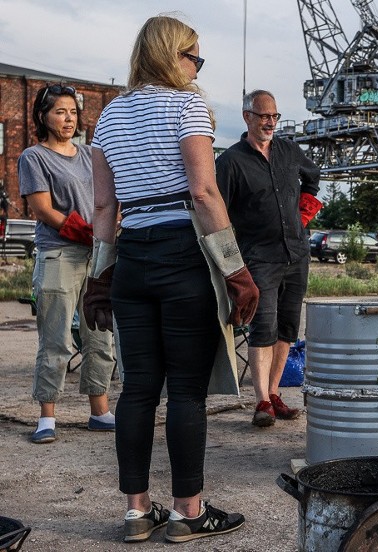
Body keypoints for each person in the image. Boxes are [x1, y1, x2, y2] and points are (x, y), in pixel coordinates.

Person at [85, 15, 258, 543]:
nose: (197, 67)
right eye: (194, 57)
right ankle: (188, 511)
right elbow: (204, 193)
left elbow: (103, 205)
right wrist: (236, 270)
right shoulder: (188, 106)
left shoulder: (110, 114)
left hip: (132, 256)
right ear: (172, 56)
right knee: (186, 390)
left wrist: (98, 278)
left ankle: (137, 512)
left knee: (137, 389)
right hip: (183, 251)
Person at [18, 84, 117, 445]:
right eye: (60, 112)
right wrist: (83, 230)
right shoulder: (34, 156)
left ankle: (99, 410)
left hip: (98, 252)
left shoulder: (91, 153)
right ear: (43, 116)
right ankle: (47, 416)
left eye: (73, 112)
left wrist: (107, 232)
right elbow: (42, 209)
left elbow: (108, 197)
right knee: (56, 337)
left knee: (100, 334)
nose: (68, 119)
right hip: (59, 253)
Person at [215, 89, 321, 427]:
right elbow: (218, 212)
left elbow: (313, 178)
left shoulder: (289, 151)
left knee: (288, 327)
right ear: (247, 116)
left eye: (274, 116)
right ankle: (260, 400)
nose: (270, 122)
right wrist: (230, 261)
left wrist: (304, 212)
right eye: (263, 116)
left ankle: (275, 393)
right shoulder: (231, 162)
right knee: (264, 327)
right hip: (258, 258)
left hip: (296, 253)